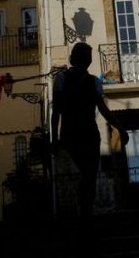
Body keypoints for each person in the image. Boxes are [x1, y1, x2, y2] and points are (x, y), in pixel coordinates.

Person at [51, 42, 129, 246]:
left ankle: (85, 213)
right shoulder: (61, 79)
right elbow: (56, 112)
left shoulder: (93, 82)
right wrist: (55, 139)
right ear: (76, 58)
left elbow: (102, 109)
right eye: (86, 55)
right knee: (86, 175)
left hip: (88, 134)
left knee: (89, 176)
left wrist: (119, 126)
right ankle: (84, 214)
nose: (89, 59)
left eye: (90, 56)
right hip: (72, 135)